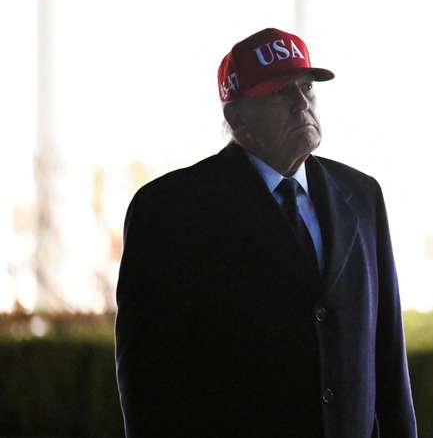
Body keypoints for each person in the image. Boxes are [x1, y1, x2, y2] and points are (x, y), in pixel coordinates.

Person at [114, 27, 417, 438]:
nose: (301, 103)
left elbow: (388, 359)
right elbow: (148, 379)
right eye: (279, 92)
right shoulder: (170, 210)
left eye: (306, 88)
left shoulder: (361, 196)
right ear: (236, 117)